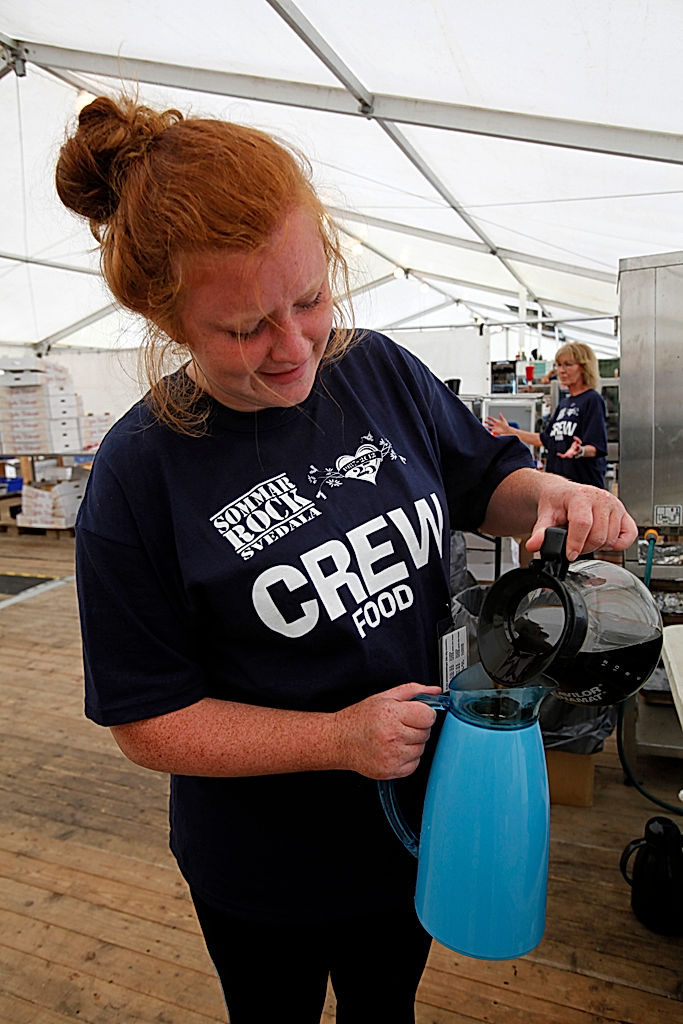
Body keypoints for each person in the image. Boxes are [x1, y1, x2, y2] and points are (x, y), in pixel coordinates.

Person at [55, 96, 636, 1024]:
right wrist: (332, 739)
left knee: (386, 1008)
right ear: (167, 318)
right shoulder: (139, 472)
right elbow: (147, 719)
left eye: (311, 297)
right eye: (245, 328)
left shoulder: (374, 369)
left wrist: (551, 495)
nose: (296, 348)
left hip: (415, 822)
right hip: (262, 864)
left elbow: (485, 481)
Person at [485, 342, 608, 489]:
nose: (561, 370)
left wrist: (580, 451)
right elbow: (544, 439)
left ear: (584, 367)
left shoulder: (592, 400)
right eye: (559, 365)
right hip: (558, 485)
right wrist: (509, 431)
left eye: (568, 364)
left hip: (583, 487)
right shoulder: (564, 404)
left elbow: (597, 446)